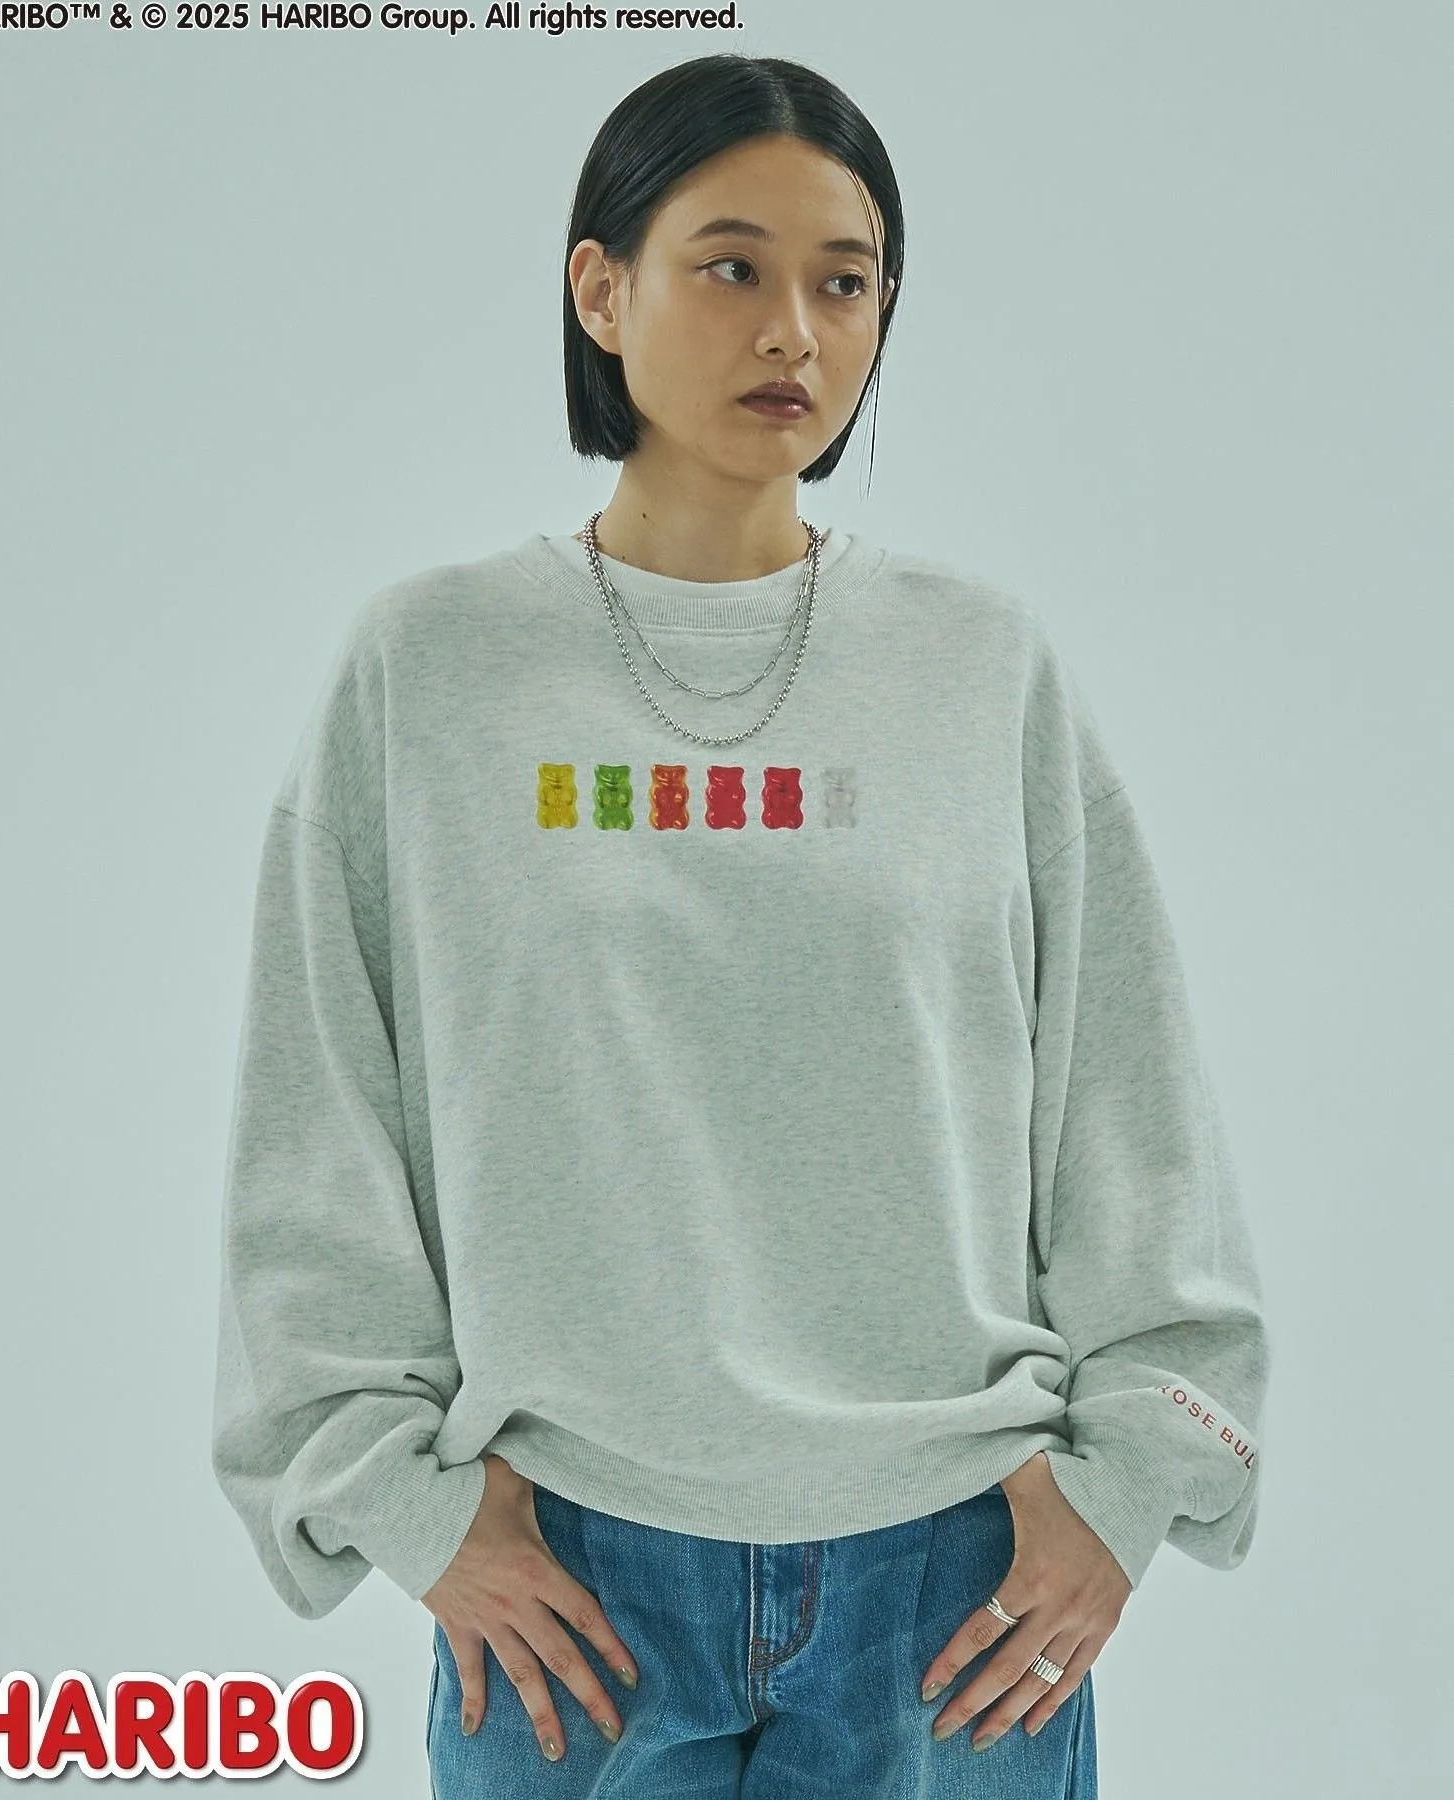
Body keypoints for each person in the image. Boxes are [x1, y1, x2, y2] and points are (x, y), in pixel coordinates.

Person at [210, 53, 1271, 1800]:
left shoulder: (977, 666)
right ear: (599, 289)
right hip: (563, 1587)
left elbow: (1124, 1093)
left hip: (957, 1583)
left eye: (846, 283)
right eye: (731, 266)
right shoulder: (433, 668)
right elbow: (320, 1112)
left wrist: (1133, 1474)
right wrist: (397, 1493)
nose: (795, 329)